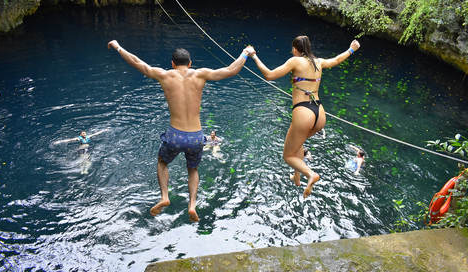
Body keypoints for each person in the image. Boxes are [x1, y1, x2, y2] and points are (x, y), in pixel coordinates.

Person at [108, 40, 250, 222]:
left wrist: (119, 46)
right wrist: (246, 52)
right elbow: (231, 70)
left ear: (172, 64)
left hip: (175, 135)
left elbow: (137, 63)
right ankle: (192, 205)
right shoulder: (201, 74)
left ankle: (164, 196)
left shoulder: (165, 75)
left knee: (162, 162)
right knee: (193, 169)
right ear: (190, 63)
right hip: (196, 137)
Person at [247, 36, 360, 197]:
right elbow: (336, 60)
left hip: (303, 112)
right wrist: (351, 49)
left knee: (288, 155)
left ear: (296, 49)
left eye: (292, 49)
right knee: (298, 143)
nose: (292, 51)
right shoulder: (318, 61)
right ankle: (297, 176)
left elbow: (269, 75)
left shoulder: (295, 61)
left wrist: (254, 56)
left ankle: (310, 174)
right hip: (319, 113)